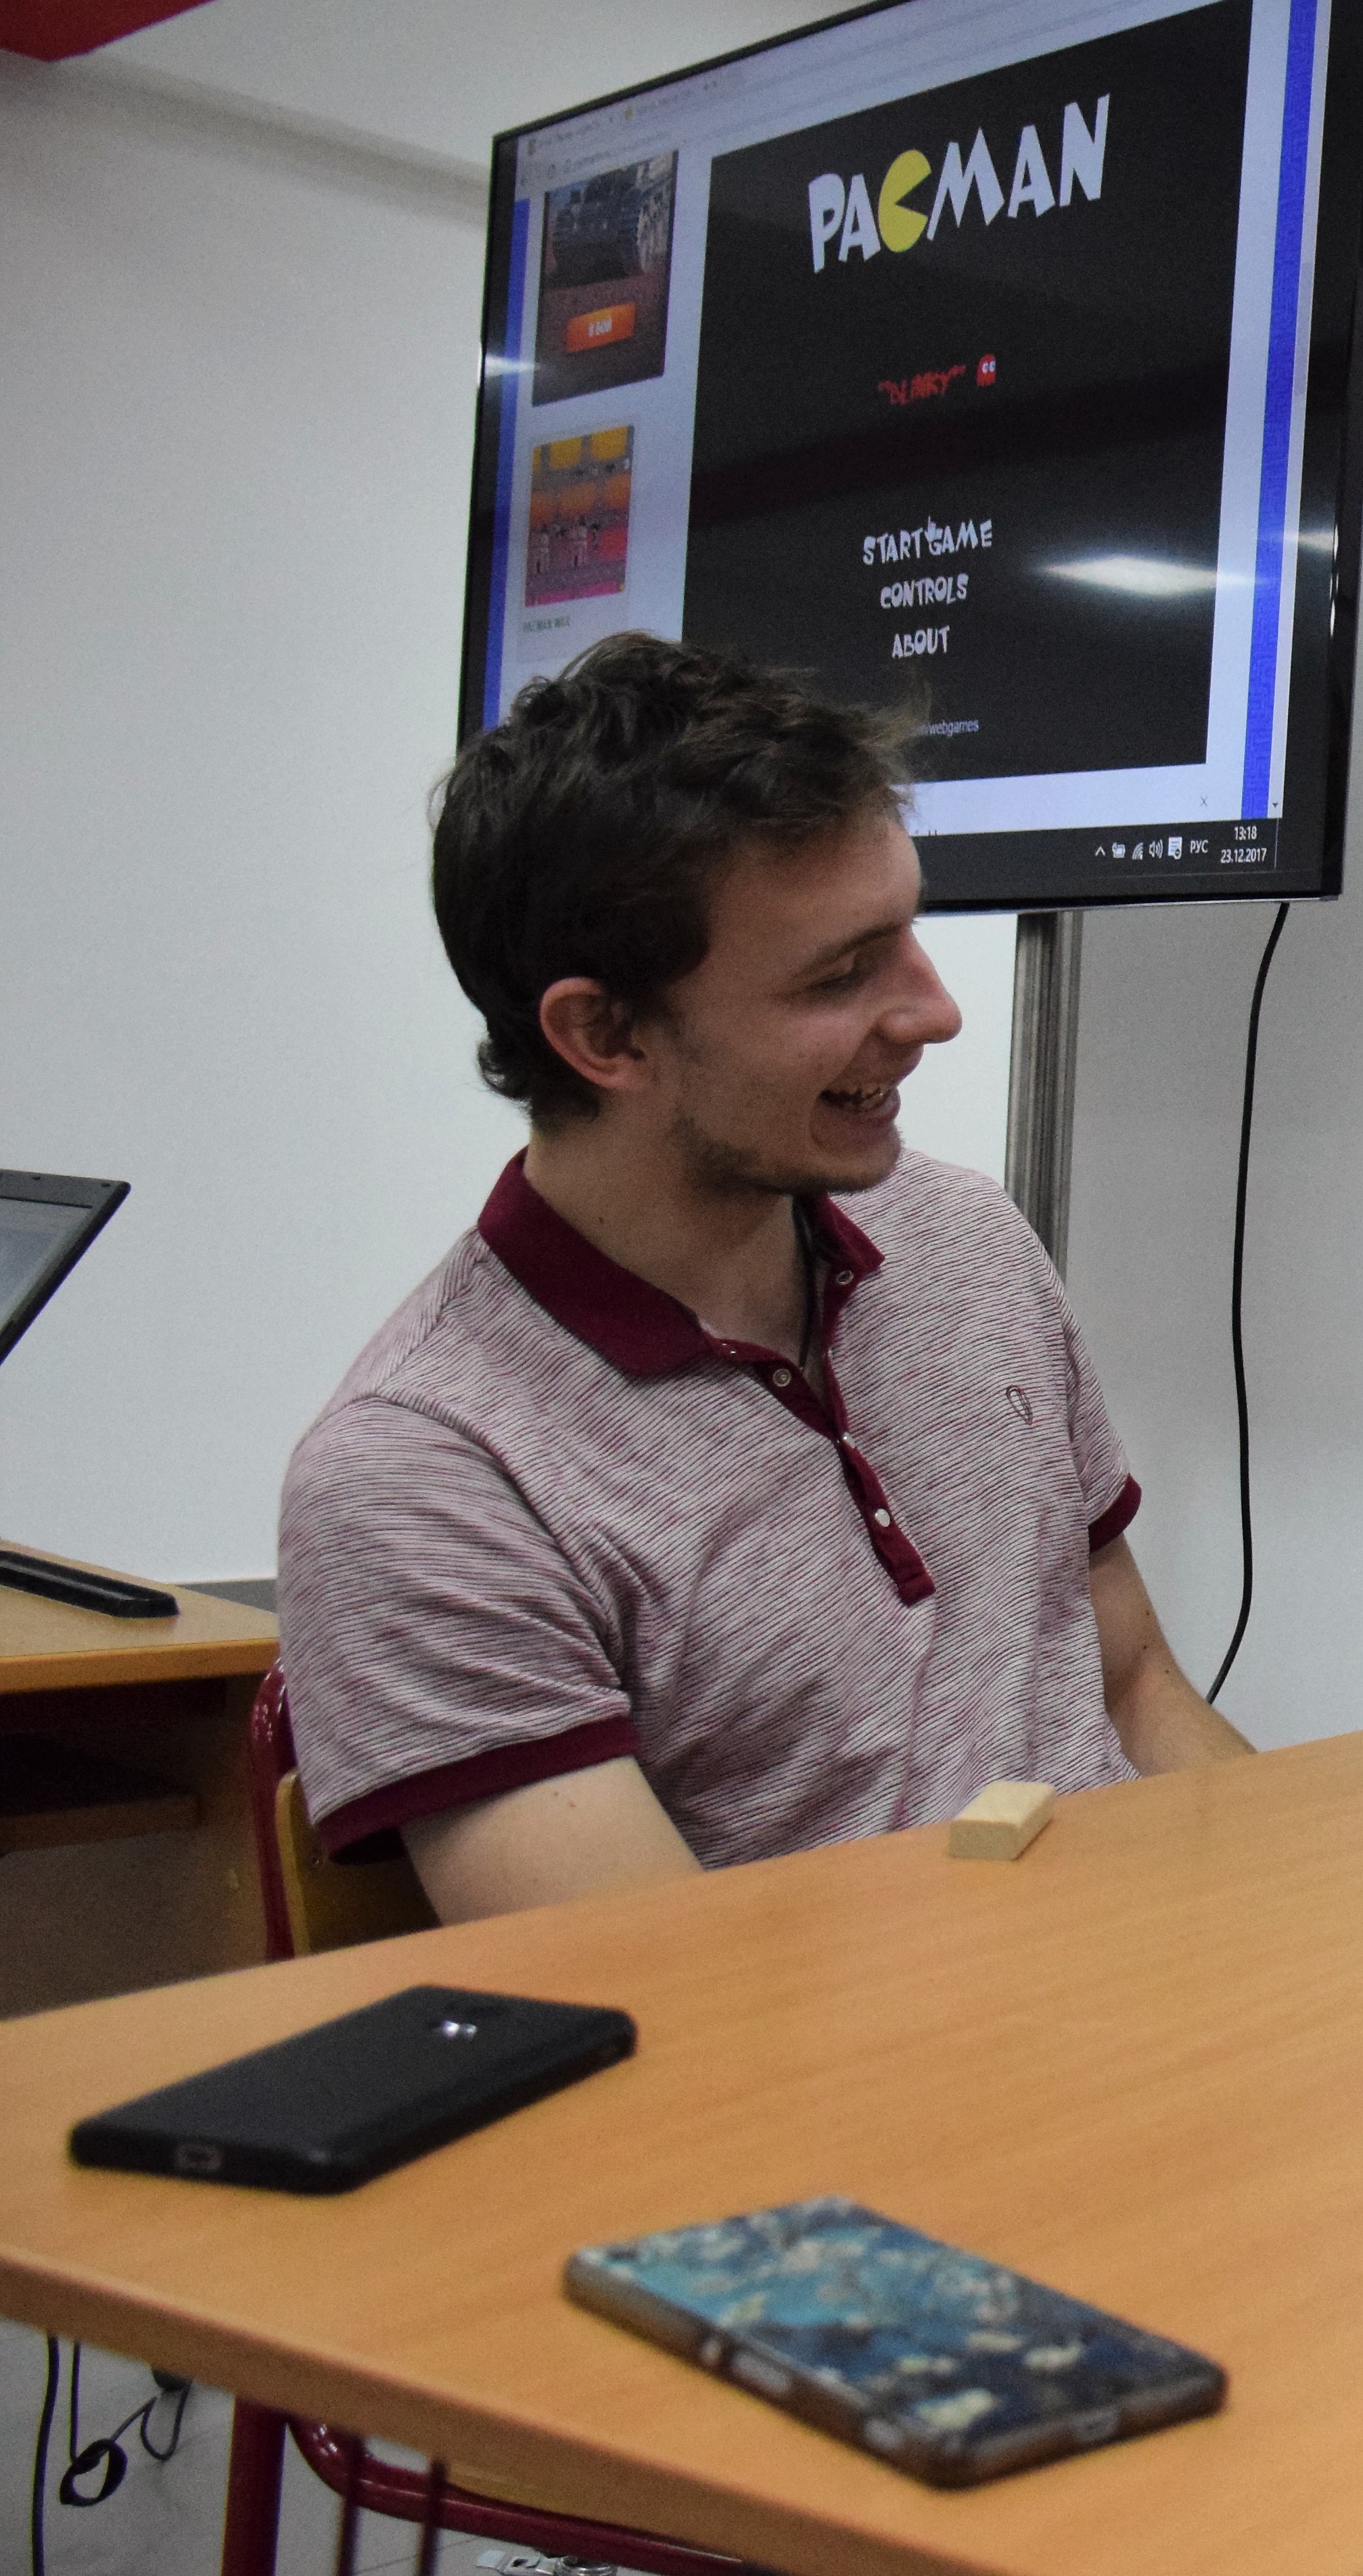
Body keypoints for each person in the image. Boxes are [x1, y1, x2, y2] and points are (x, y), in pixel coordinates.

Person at [277, 634, 1248, 1922]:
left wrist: (1302, 1914)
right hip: (912, 2053)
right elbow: (665, 1992)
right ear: (604, 1033)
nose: (935, 1013)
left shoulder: (964, 1240)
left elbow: (1133, 1690)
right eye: (841, 974)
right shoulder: (429, 1477)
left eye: (909, 934)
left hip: (1159, 1991)